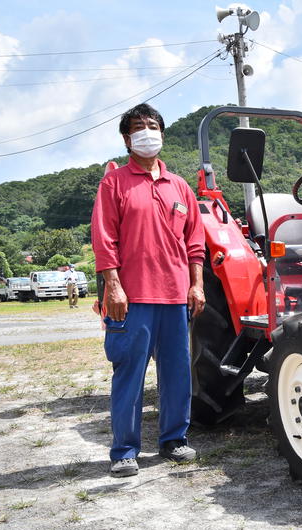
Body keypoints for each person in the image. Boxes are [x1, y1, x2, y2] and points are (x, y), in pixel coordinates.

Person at [91, 102, 206, 478]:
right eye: (138, 126)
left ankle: (174, 440)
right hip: (132, 297)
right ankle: (124, 451)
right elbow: (104, 239)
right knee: (130, 371)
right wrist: (114, 288)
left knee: (177, 372)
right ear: (127, 138)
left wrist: (197, 284)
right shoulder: (114, 183)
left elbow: (195, 241)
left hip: (175, 296)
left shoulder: (180, 187)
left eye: (153, 125)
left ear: (162, 133)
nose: (147, 131)